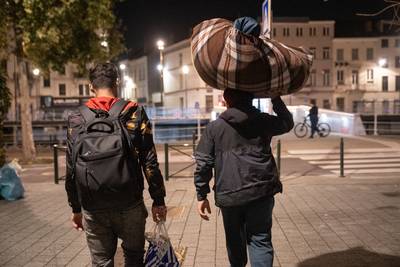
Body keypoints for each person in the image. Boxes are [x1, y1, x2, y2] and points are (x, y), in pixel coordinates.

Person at [65, 63, 167, 267]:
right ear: (117, 83)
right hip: (129, 203)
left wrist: (76, 208)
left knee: (101, 261)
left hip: (93, 206)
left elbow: (71, 168)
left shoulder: (77, 119)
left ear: (90, 86)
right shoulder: (134, 112)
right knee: (134, 258)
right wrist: (158, 200)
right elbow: (149, 161)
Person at [194, 89, 294, 267]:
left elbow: (203, 163)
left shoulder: (214, 128)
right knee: (260, 240)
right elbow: (287, 122)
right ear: (252, 99)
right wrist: (275, 98)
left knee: (234, 243)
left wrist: (202, 195)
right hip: (261, 190)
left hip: (229, 194)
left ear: (226, 100)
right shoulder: (263, 121)